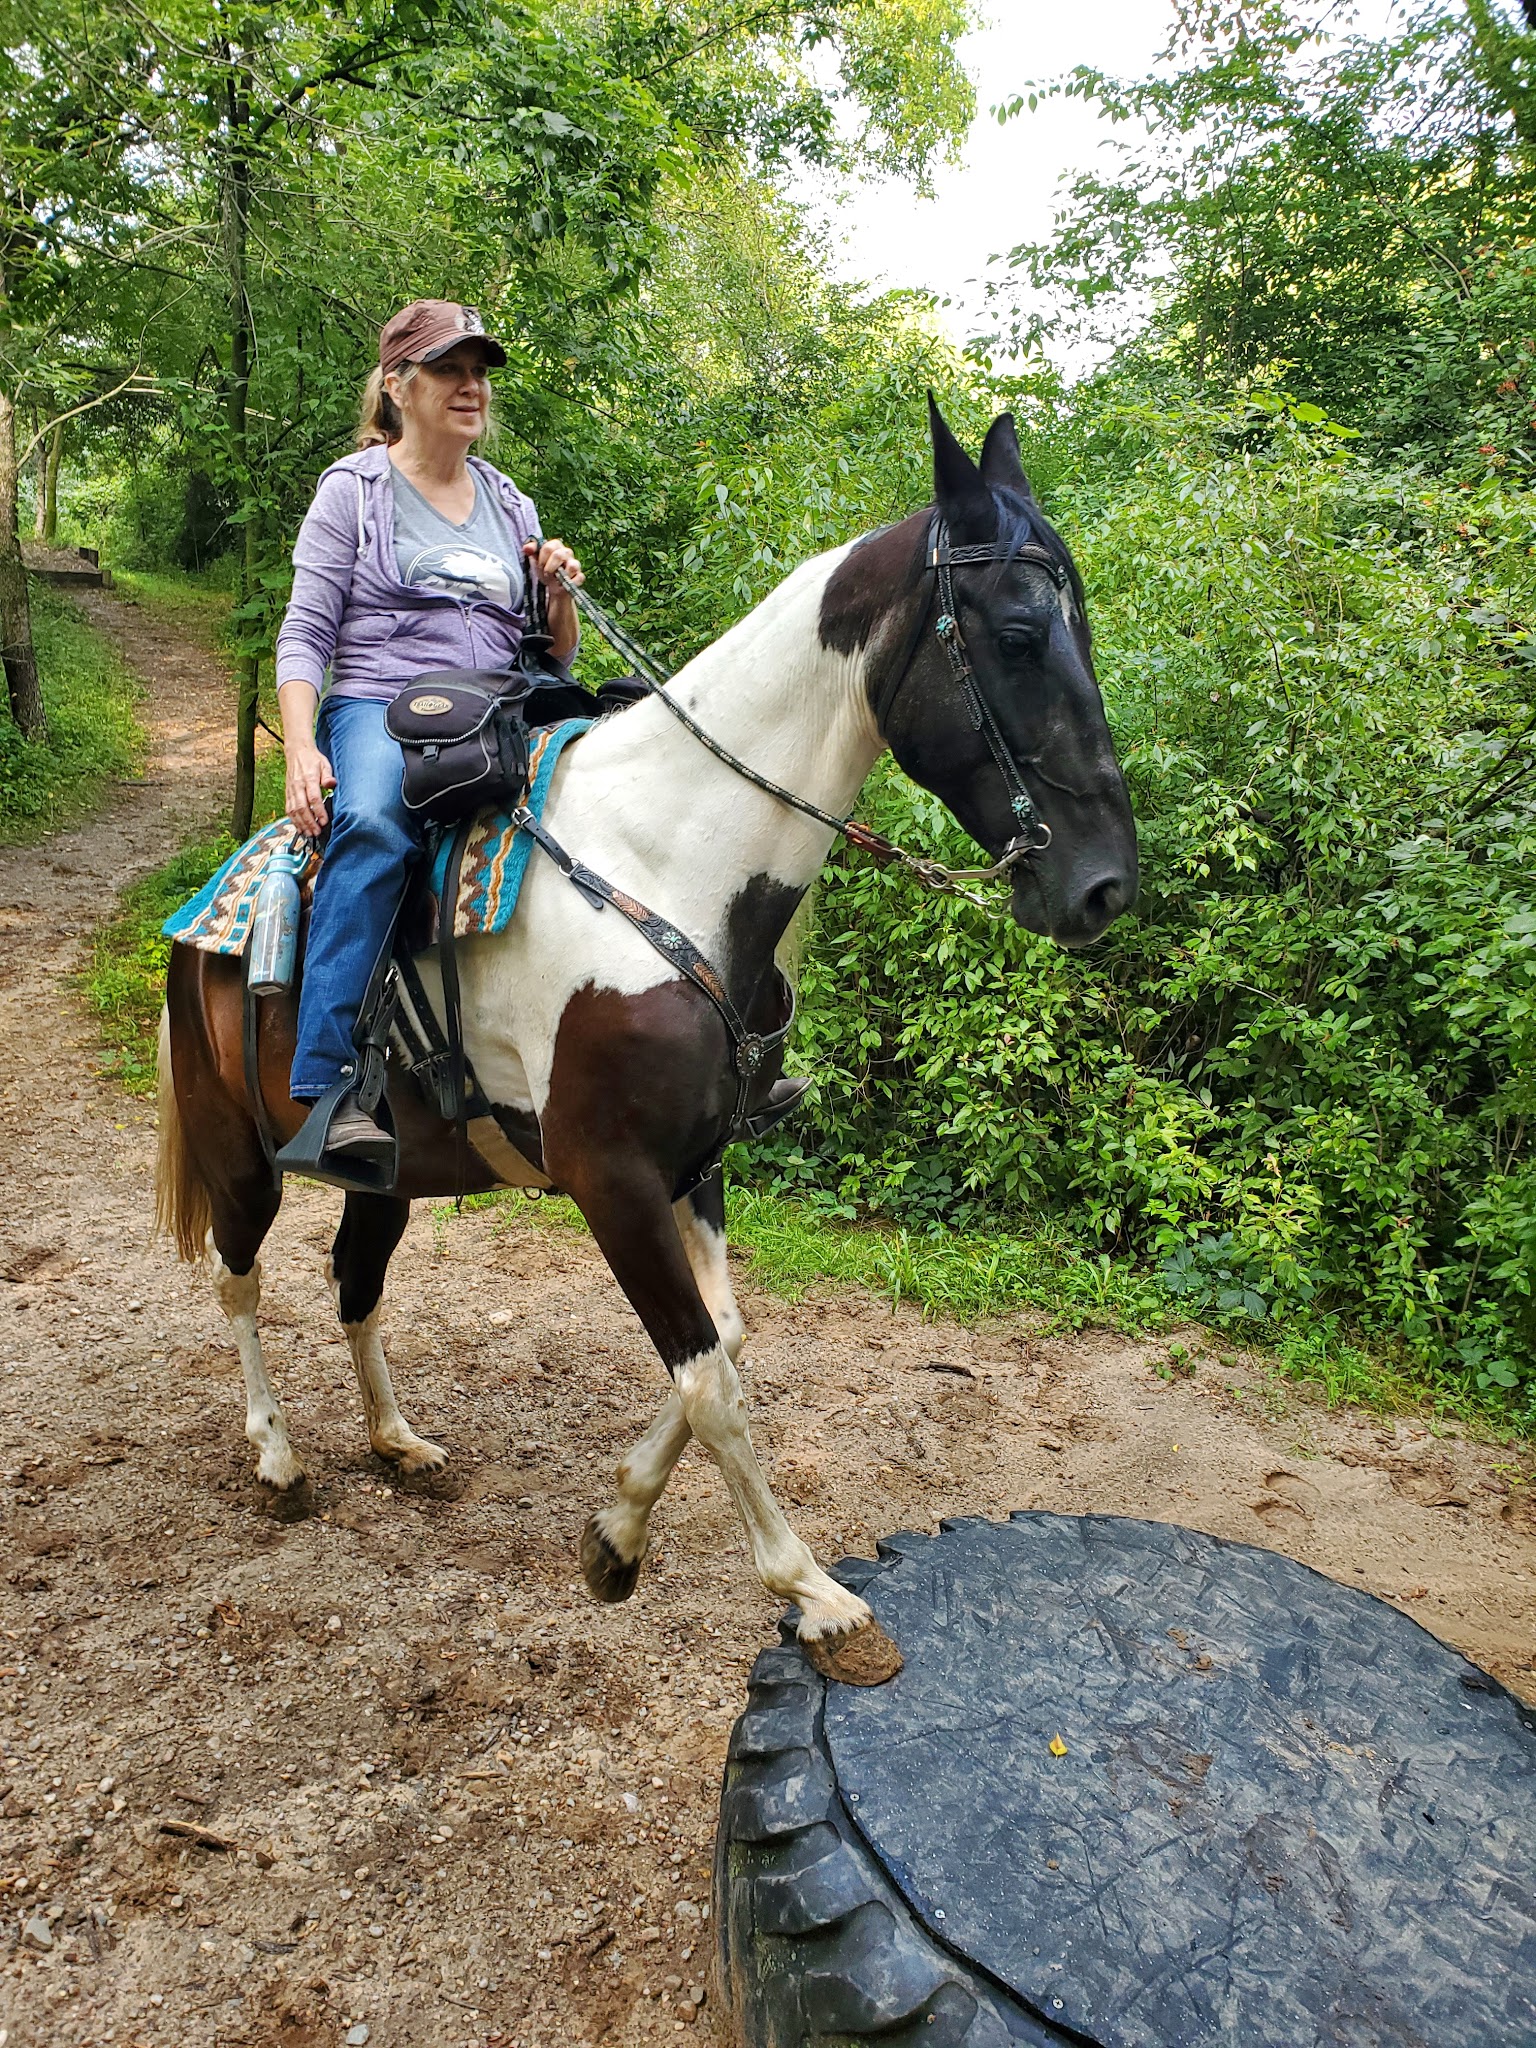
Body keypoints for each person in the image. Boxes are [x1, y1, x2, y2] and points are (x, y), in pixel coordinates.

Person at [273, 299, 584, 1162]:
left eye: (479, 371)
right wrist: (303, 745)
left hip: (498, 701)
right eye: (450, 369)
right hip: (379, 705)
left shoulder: (509, 503)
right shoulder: (353, 492)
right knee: (372, 826)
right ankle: (326, 1088)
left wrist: (555, 588)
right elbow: (304, 633)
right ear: (399, 386)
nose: (471, 386)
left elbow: (552, 651)